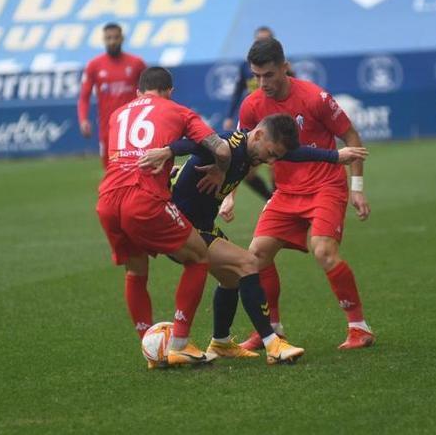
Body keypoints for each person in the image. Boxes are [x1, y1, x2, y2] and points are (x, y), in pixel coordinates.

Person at [139, 114, 368, 363]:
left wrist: (336, 156)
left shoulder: (253, 151)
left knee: (230, 279)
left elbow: (294, 154)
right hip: (179, 226)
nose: (270, 161)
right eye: (270, 153)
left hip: (199, 225)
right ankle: (272, 343)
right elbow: (194, 143)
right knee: (248, 263)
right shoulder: (229, 147)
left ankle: (221, 342)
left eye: (275, 157)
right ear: (258, 135)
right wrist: (166, 151)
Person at [235, 37, 375, 351]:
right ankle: (271, 330)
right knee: (256, 255)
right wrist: (229, 193)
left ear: (285, 67)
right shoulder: (252, 105)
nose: (262, 83)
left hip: (326, 185)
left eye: (268, 75)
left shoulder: (314, 97)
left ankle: (358, 327)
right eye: (256, 76)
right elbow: (247, 154)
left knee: (323, 251)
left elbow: (350, 136)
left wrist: (357, 189)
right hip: (285, 191)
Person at [95, 66, 230, 368]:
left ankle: (150, 350)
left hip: (107, 200)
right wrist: (219, 170)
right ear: (169, 91)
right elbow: (220, 148)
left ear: (139, 92)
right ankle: (180, 343)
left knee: (135, 272)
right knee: (198, 257)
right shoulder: (178, 110)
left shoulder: (119, 114)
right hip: (143, 198)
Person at [77, 22, 147, 169]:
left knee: (137, 168)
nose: (112, 41)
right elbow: (84, 96)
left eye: (115, 37)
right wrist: (83, 119)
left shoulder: (137, 63)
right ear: (104, 39)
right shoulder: (94, 65)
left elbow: (150, 91)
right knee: (111, 170)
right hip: (108, 127)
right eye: (109, 38)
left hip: (134, 125)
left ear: (122, 38)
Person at [222, 26, 277, 201]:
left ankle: (280, 201)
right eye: (259, 40)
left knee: (276, 166)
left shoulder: (280, 66)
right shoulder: (245, 66)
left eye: (266, 40)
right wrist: (230, 116)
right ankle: (270, 199)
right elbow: (238, 91)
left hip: (275, 121)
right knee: (247, 171)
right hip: (253, 120)